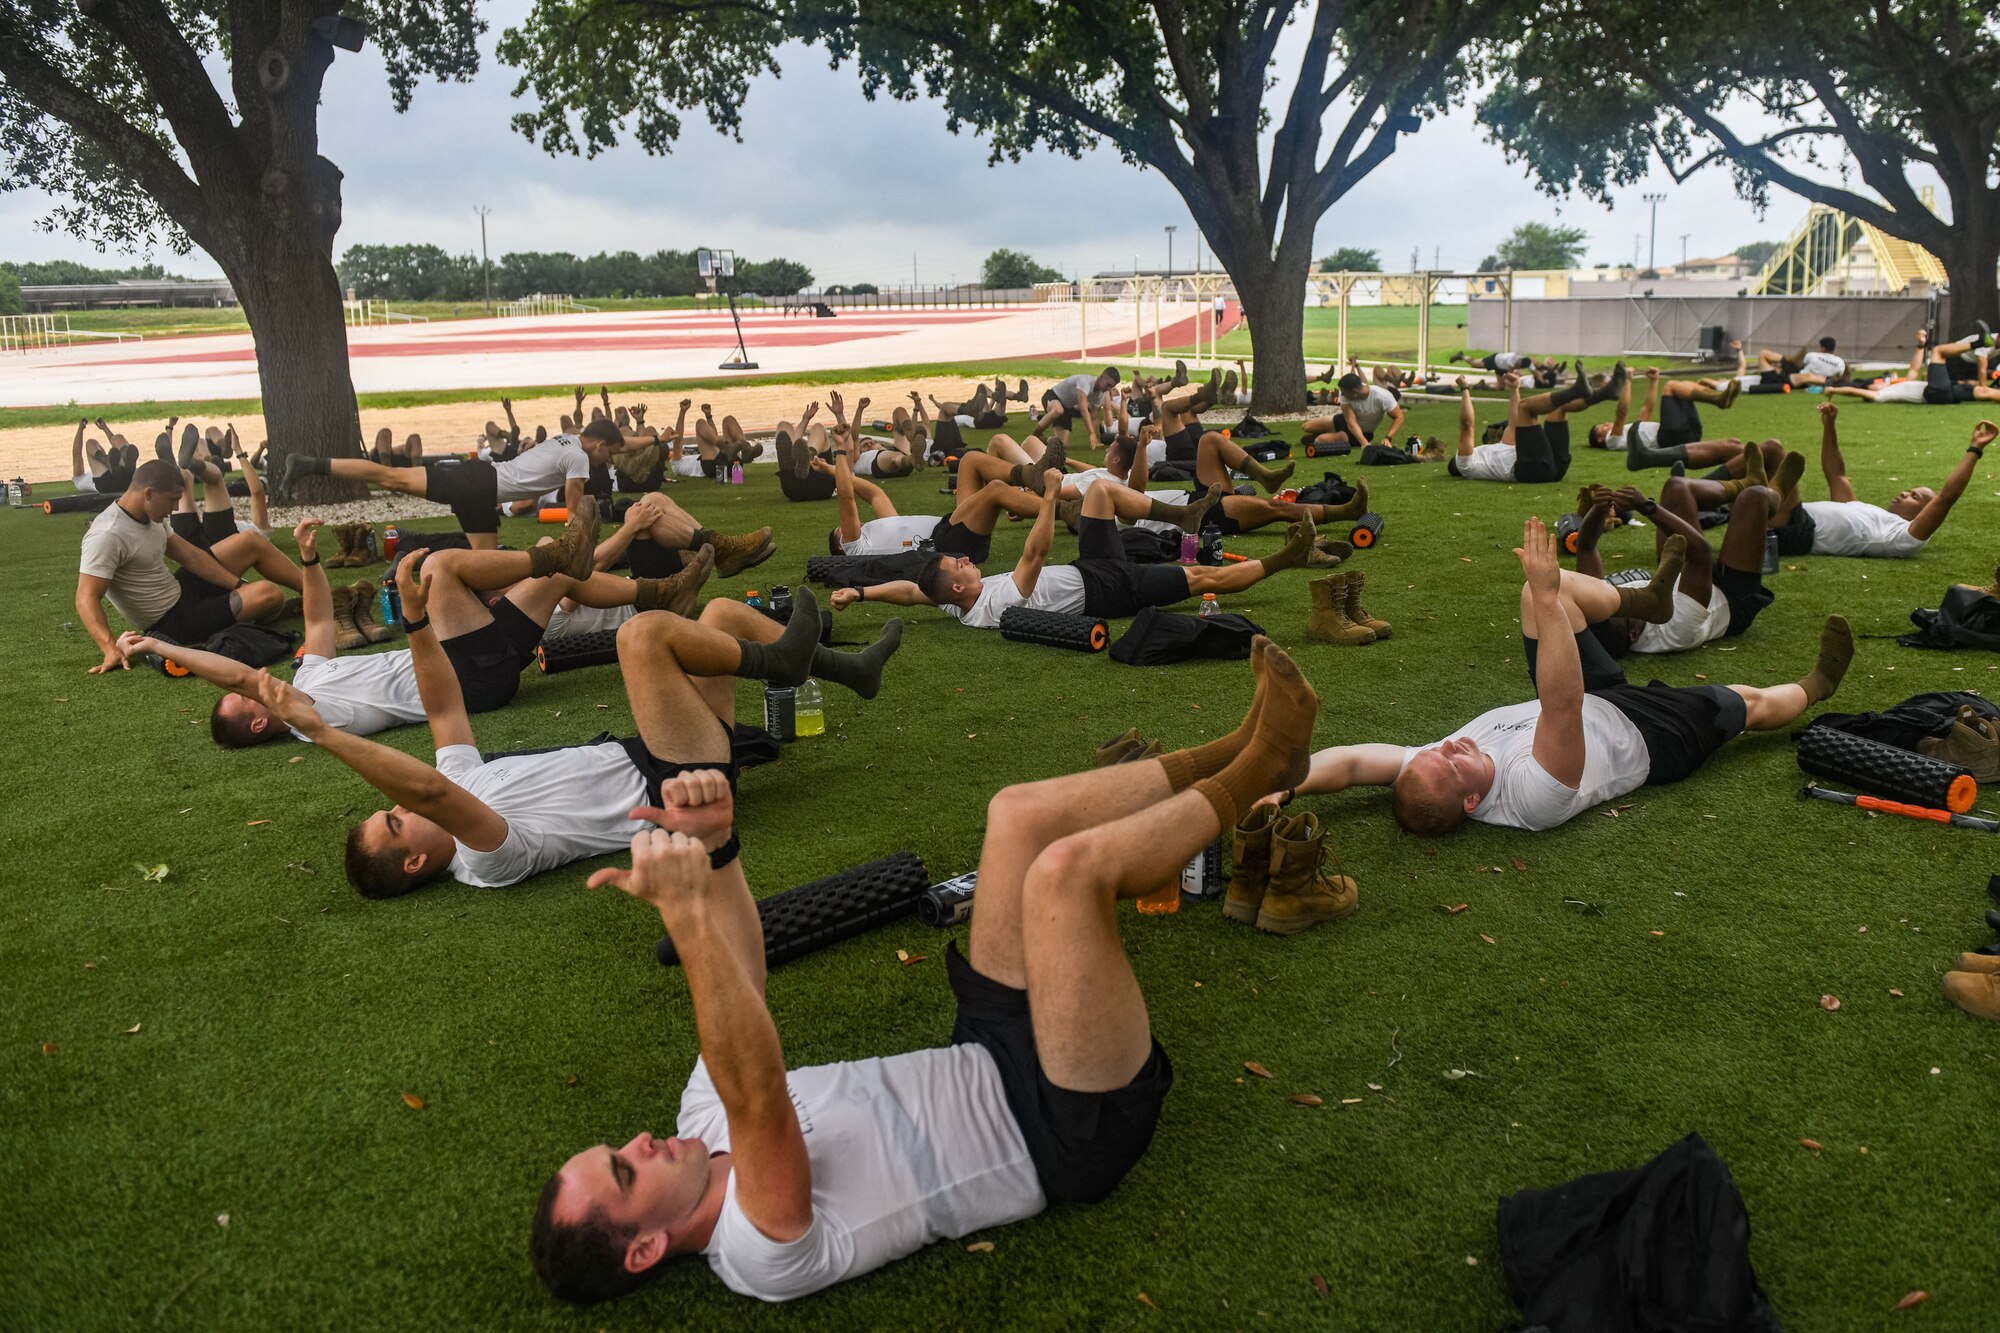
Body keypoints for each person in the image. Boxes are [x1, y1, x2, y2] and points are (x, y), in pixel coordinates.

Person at [527, 637, 1319, 1305]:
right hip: (1062, 1125)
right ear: (645, 1249)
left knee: (1018, 816)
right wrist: (686, 914)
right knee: (1066, 873)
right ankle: (1266, 766)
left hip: (985, 1045)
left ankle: (1237, 748)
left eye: (617, 1145)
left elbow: (745, 971)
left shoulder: (697, 1122)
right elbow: (759, 1092)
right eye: (625, 1171)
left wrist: (717, 847)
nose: (640, 1140)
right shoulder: (757, 1251)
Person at [252, 576, 902, 898]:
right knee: (641, 635)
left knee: (723, 616)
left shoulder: (459, 785)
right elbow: (426, 787)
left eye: (388, 811)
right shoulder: (483, 861)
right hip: (677, 788)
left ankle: (853, 670)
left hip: (658, 748)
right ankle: (785, 664)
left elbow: (444, 706)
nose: (403, 807)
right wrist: (322, 731)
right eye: (396, 825)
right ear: (416, 861)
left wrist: (418, 620)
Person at [1268, 517, 1855, 834]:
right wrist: (1551, 600)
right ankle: (1816, 686)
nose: (1448, 746)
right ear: (1472, 801)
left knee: (1538, 595)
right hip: (1654, 738)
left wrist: (1281, 788)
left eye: (1436, 752)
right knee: (1750, 704)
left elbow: (1346, 765)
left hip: (1598, 697)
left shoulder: (1440, 763)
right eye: (1452, 762)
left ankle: (1644, 603)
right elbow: (1560, 702)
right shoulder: (1531, 798)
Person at [837, 469, 1314, 627]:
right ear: (961, 582)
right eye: (957, 562)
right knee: (1202, 580)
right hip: (1109, 590)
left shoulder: (955, 602)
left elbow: (909, 591)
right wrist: (1047, 494)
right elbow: (1034, 555)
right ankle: (1284, 558)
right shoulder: (996, 603)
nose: (963, 557)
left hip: (1089, 565)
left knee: (1101, 491)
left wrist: (859, 594)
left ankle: (1181, 515)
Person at [76, 459, 306, 674]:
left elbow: (192, 557)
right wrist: (110, 648)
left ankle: (316, 593)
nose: (175, 508)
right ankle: (254, 613)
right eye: (172, 500)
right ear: (149, 494)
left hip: (182, 590)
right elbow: (86, 597)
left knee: (250, 541)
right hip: (172, 622)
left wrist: (238, 585)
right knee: (269, 594)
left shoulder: (150, 515)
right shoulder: (107, 535)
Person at [1569, 450, 1801, 654]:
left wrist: (1599, 510)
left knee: (1676, 487)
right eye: (1623, 610)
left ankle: (1746, 481)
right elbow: (1699, 553)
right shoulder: (1676, 628)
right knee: (1755, 498)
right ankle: (1776, 494)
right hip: (1731, 597)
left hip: (1672, 578)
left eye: (1612, 604)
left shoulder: (1601, 614)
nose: (1619, 601)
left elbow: (1586, 547)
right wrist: (1647, 507)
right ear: (1635, 634)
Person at [274, 419, 629, 549]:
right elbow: (572, 507)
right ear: (599, 445)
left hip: (481, 489)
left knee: (486, 563)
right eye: (609, 454)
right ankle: (309, 465)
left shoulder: (566, 439)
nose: (608, 462)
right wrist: (578, 542)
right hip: (476, 483)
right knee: (389, 477)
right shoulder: (581, 458)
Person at [1766, 403, 1995, 559]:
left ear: (1924, 514)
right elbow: (1837, 474)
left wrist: (1975, 449)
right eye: (1909, 490)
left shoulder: (1903, 537)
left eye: (1915, 497)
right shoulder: (1862, 510)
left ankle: (1734, 485)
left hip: (1796, 530)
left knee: (1773, 450)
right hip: (1786, 517)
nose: (1905, 494)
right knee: (1741, 449)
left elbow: (1947, 498)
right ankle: (1729, 484)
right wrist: (1829, 426)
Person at [1451, 366, 1625, 484]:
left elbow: (1514, 422)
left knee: (1559, 409)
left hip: (1552, 468)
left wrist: (1515, 389)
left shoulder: (1499, 449)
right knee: (1526, 408)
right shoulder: (1466, 465)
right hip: (1531, 470)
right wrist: (1465, 389)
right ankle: (1576, 391)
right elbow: (1467, 426)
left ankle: (1604, 393)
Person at [1607, 368, 1740, 469]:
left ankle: (1721, 396)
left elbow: (1647, 408)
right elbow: (1622, 412)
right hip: (1670, 437)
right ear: (1600, 438)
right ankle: (1718, 398)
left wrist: (1654, 381)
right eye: (1600, 427)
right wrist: (1628, 381)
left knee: (1683, 385)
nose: (1605, 424)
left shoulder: (1633, 432)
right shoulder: (1611, 441)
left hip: (1689, 435)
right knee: (1670, 386)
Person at [1302, 373, 1403, 452]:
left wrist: (1387, 438)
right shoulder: (1345, 393)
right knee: (1306, 427)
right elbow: (1351, 422)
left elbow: (1399, 416)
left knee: (1319, 441)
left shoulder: (1382, 396)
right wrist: (1365, 444)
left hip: (1358, 434)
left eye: (1344, 393)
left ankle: (1319, 436)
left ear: (1354, 392)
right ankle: (1326, 433)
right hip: (1343, 421)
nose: (1342, 395)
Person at [1033, 367, 1121, 442]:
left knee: (1061, 444)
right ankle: (1035, 434)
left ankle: (1039, 441)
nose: (1109, 389)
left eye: (1111, 387)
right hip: (1052, 397)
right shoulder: (1084, 381)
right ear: (1101, 377)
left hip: (1066, 408)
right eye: (1107, 385)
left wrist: (1093, 436)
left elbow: (1094, 416)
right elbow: (1083, 409)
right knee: (1058, 410)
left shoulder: (1100, 394)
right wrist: (1091, 433)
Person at [1921, 327, 2000, 405]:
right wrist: (1984, 392)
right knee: (1955, 385)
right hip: (1957, 356)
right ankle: (1928, 376)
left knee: (1970, 385)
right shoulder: (1987, 343)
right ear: (1998, 337)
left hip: (1972, 360)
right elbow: (1982, 370)